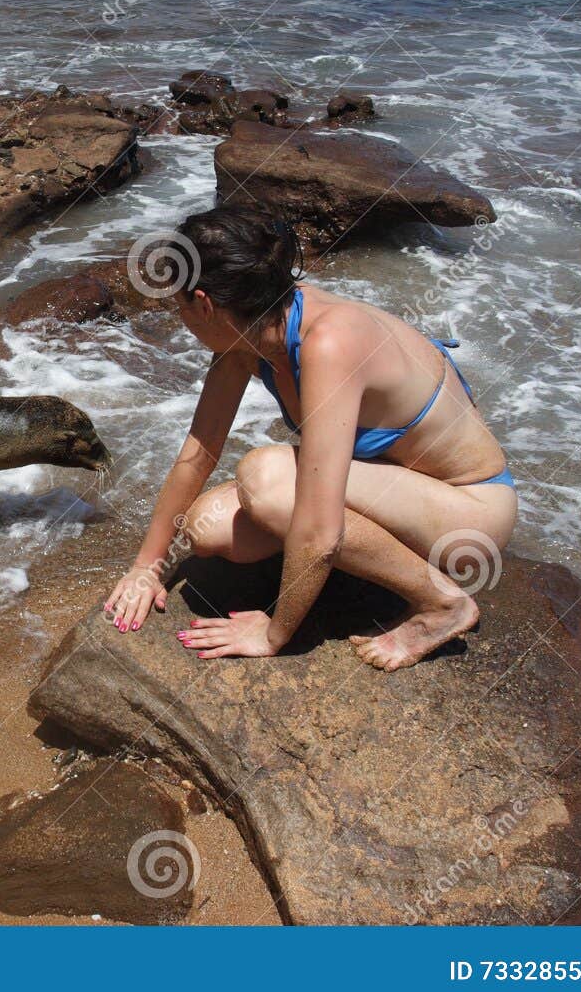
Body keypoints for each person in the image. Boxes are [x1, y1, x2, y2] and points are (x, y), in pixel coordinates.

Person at [104, 207, 517, 670]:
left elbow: (319, 530)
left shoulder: (330, 342)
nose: (180, 317)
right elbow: (198, 453)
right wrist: (148, 566)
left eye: (178, 305)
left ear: (204, 303)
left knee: (267, 478)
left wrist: (275, 632)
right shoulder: (252, 327)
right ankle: (368, 567)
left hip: (468, 513)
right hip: (393, 490)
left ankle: (443, 603)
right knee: (208, 526)